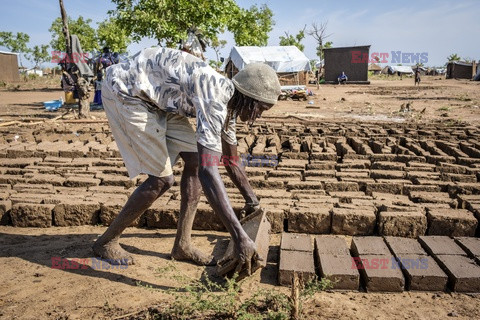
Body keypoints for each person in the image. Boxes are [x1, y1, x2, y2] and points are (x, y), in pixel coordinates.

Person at [92, 47, 281, 276]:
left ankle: (182, 245)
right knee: (162, 179)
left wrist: (252, 201)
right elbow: (208, 171)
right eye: (260, 108)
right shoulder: (215, 100)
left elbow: (231, 159)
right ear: (248, 97)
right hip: (128, 91)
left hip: (160, 98)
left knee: (192, 159)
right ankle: (106, 241)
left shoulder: (229, 106)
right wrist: (239, 236)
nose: (258, 115)